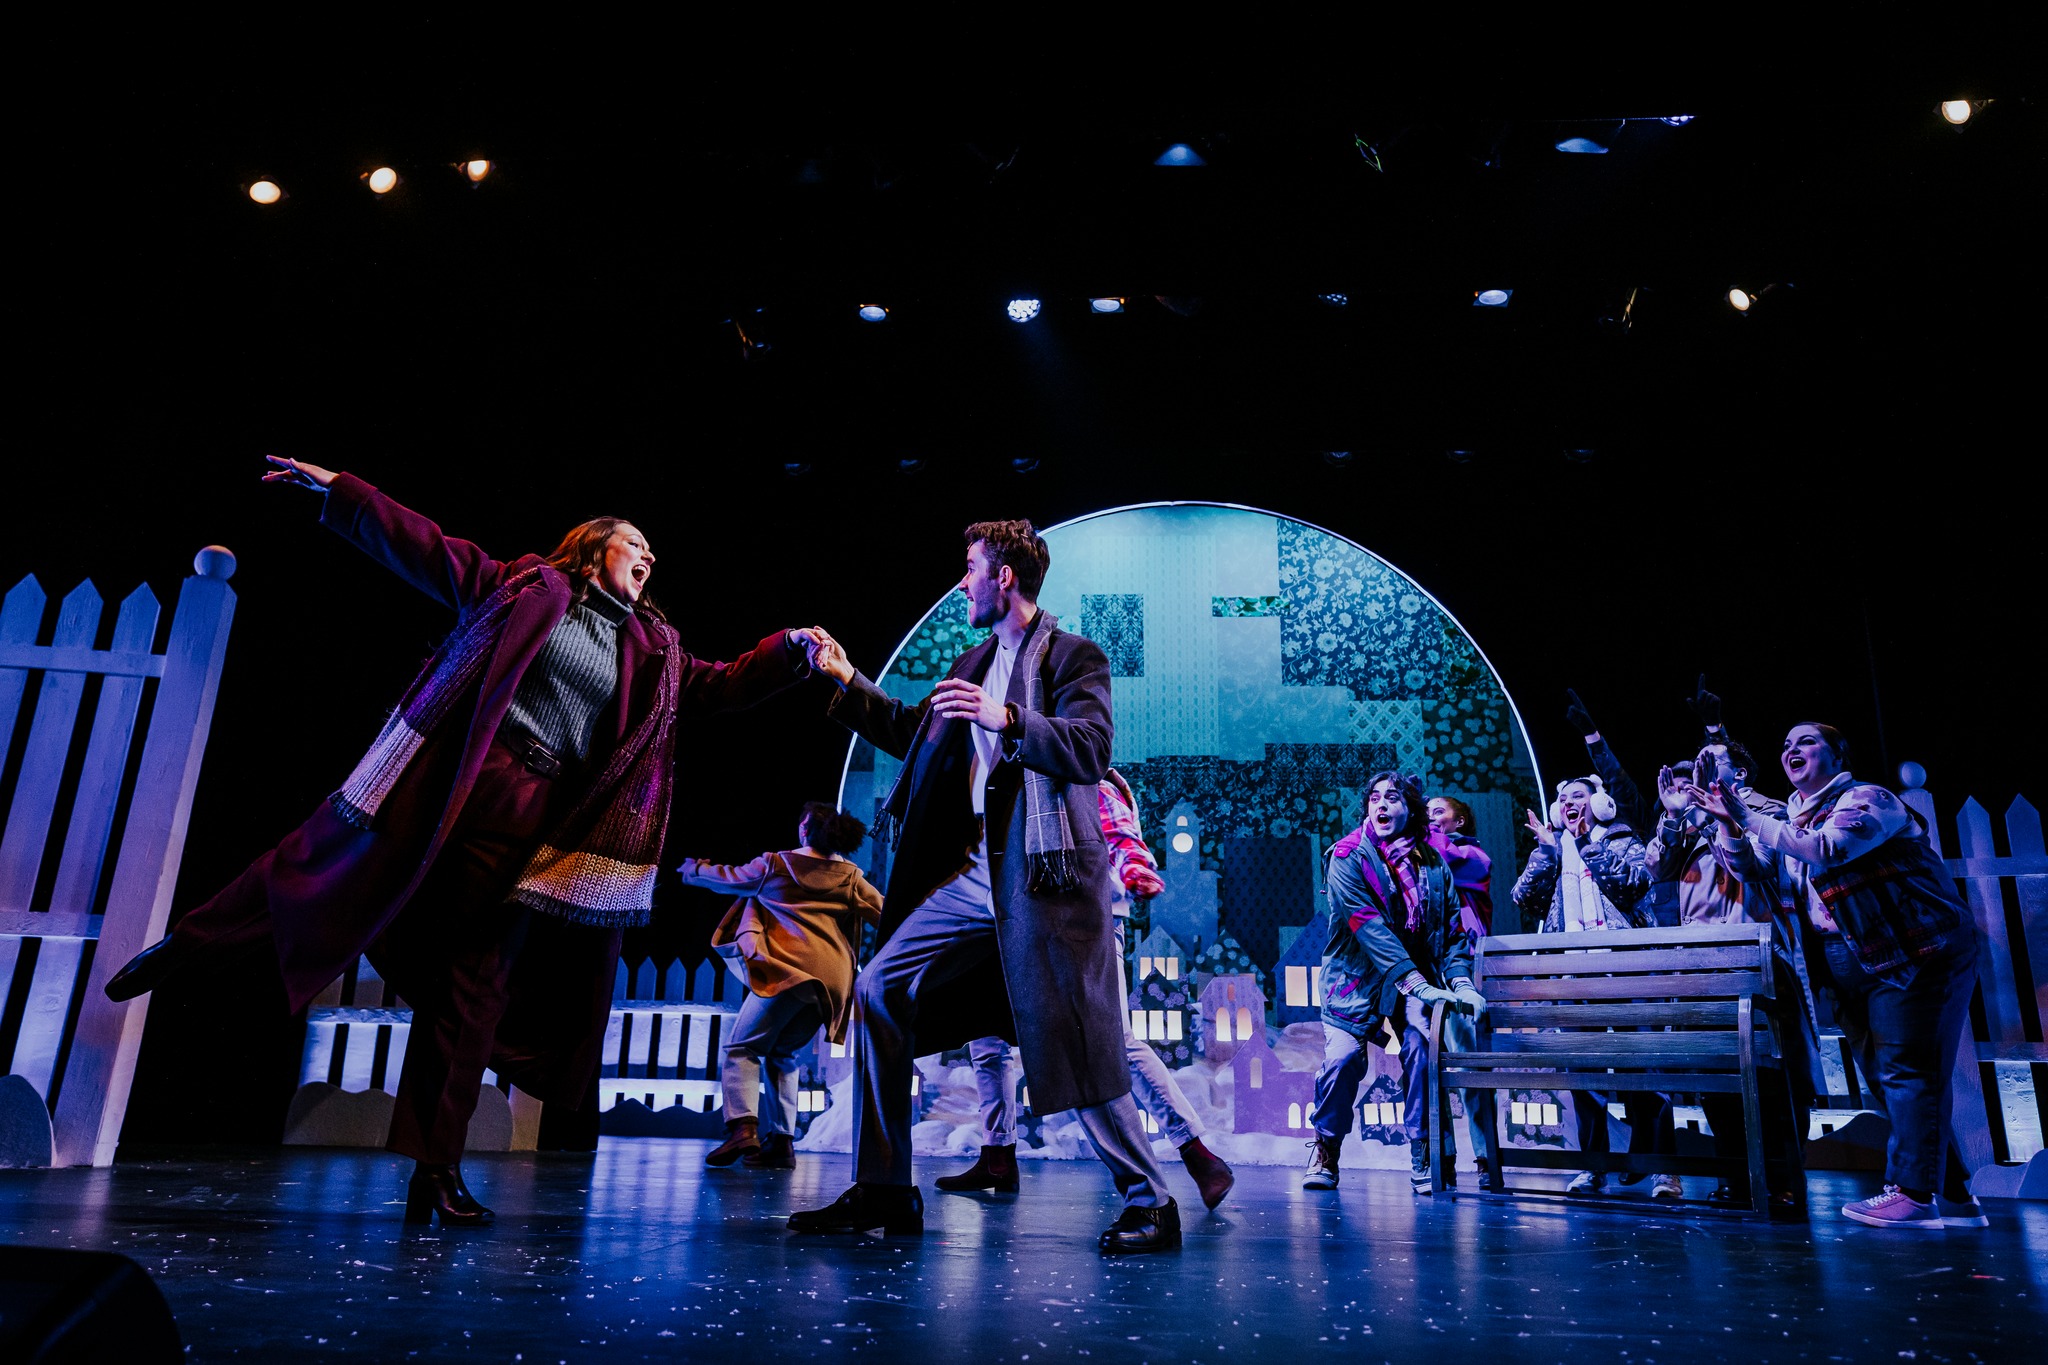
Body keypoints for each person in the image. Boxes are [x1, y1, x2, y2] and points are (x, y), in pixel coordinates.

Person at [105, 457, 818, 1226]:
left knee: (475, 986)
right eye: (634, 544)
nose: (648, 557)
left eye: (651, 553)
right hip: (455, 781)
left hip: (536, 824)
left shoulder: (656, 650)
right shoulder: (523, 586)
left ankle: (434, 1171)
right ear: (592, 546)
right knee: (323, 863)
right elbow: (424, 545)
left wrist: (791, 652)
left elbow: (719, 687)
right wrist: (343, 491)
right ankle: (188, 943)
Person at [791, 520, 1182, 1254]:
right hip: (975, 869)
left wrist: (1009, 717)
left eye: (970, 567)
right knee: (878, 988)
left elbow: (1092, 748)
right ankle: (883, 1188)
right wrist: (847, 679)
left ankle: (1151, 1201)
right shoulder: (973, 661)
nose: (963, 581)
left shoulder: (1072, 655)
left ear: (1004, 576)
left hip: (1043, 869)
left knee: (1075, 1031)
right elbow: (917, 732)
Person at [1700, 723, 1985, 1230]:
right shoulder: (1791, 817)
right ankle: (1956, 1195)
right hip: (1845, 956)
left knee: (1908, 1071)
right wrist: (1728, 825)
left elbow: (1826, 850)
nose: (1791, 750)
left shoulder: (1869, 799)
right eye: (1785, 744)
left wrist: (1747, 814)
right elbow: (1756, 868)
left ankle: (1914, 1195)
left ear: (1836, 755)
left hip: (1915, 949)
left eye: (1805, 742)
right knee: (1886, 1075)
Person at [937, 772, 1236, 1210]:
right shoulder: (1004, 782)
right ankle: (997, 1154)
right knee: (987, 1037)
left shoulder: (1081, 775)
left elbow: (1119, 834)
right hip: (1008, 922)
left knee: (1115, 1042)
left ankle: (1198, 1154)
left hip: (1082, 924)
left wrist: (1136, 870)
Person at [1304, 773, 1487, 1194]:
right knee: (1344, 1060)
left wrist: (1460, 983)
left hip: (1416, 980)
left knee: (1421, 1050)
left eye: (1392, 797)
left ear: (1411, 808)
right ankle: (1326, 1150)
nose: (1381, 804)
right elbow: (1369, 928)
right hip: (1356, 982)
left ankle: (1424, 1155)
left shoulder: (1432, 863)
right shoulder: (1348, 856)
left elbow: (1450, 934)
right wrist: (1417, 985)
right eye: (1374, 798)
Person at [676, 803, 883, 1171]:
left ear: (805, 828)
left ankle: (743, 1128)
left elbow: (727, 878)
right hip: (828, 982)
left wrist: (694, 869)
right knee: (783, 1053)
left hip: (788, 971)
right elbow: (884, 911)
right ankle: (783, 1143)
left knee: (741, 1047)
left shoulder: (776, 865)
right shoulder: (850, 877)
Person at [1512, 776, 1678, 1198]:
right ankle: (1592, 1166)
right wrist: (1547, 853)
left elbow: (1633, 884)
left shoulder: (1620, 839)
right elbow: (1524, 899)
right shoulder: (1552, 849)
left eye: (1578, 797)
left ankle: (1661, 1168)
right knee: (1583, 1075)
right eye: (1563, 799)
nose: (1569, 804)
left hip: (1626, 973)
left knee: (1644, 1069)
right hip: (1571, 977)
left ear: (1601, 804)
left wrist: (1589, 845)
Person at [1424, 792, 1500, 1186]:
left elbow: (1445, 863)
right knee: (1426, 1070)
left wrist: (1425, 833)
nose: (1429, 819)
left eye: (1438, 813)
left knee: (1468, 1066)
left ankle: (1486, 1156)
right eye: (1425, 814)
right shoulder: (1417, 859)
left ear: (1459, 822)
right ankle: (1443, 1158)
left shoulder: (1473, 858)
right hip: (1424, 972)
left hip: (1462, 971)